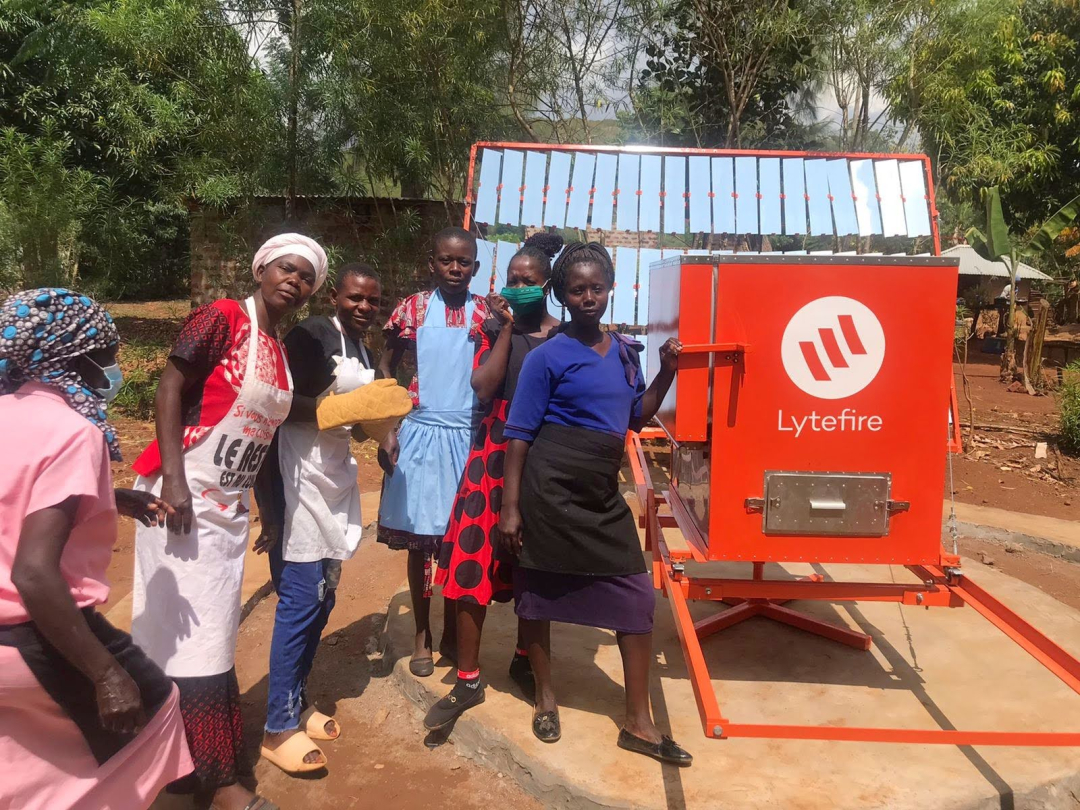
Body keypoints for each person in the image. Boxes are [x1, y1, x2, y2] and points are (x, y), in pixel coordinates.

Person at [130, 233, 326, 810]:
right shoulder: (221, 319)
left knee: (198, 640)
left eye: (306, 277)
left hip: (229, 508)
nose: (294, 281)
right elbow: (170, 387)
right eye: (285, 269)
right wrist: (172, 480)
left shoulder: (280, 350)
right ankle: (217, 780)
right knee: (197, 644)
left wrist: (263, 510)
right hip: (182, 496)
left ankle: (181, 769)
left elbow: (258, 441)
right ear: (261, 269)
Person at [499, 242, 693, 766]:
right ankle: (544, 697)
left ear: (611, 289)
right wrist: (510, 508)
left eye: (597, 288)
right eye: (576, 289)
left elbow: (635, 416)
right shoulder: (547, 357)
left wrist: (667, 371)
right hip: (549, 488)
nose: (588, 297)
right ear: (561, 296)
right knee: (538, 593)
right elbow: (518, 434)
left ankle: (638, 721)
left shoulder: (626, 354)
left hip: (602, 493)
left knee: (635, 597)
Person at [0, 288, 193, 809]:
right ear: (78, 356)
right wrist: (107, 675)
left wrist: (112, 497)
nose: (115, 365)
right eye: (107, 352)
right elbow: (34, 574)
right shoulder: (72, 431)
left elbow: (16, 497)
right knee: (153, 713)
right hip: (32, 632)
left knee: (25, 752)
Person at [424, 233, 563, 730]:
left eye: (529, 280)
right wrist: (505, 329)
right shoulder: (491, 328)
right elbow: (482, 387)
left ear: (547, 285)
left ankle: (526, 658)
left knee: (530, 565)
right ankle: (468, 678)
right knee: (471, 562)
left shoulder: (563, 337)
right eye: (512, 279)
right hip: (491, 455)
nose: (519, 285)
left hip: (539, 463)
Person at [255, 263, 381, 774]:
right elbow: (276, 403)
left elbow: (353, 423)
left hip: (333, 480)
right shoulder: (309, 335)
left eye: (372, 300)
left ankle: (297, 700)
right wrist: (271, 512)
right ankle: (276, 727)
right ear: (336, 296)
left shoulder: (364, 349)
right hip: (296, 478)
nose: (364, 307)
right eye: (355, 298)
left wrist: (376, 424)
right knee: (301, 600)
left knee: (325, 598)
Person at [377, 226, 490, 676]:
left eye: (464, 262)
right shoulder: (412, 309)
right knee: (422, 543)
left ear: (475, 268)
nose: (455, 268)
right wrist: (389, 423)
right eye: (447, 260)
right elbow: (386, 365)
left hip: (469, 436)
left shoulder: (487, 314)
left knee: (459, 541)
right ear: (432, 264)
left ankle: (450, 631)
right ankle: (422, 636)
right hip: (422, 432)